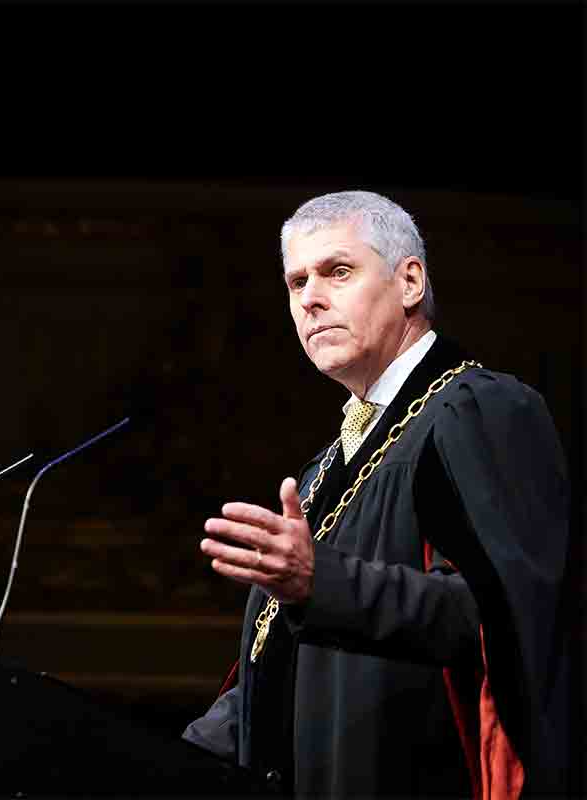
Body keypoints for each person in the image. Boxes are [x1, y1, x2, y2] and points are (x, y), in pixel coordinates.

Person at [182, 191, 571, 798]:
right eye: (295, 281)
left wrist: (322, 583)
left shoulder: (480, 410)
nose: (310, 298)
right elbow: (275, 681)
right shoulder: (319, 473)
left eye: (337, 271)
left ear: (409, 280)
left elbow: (498, 619)